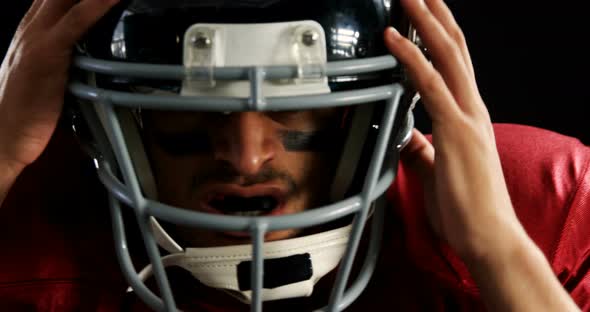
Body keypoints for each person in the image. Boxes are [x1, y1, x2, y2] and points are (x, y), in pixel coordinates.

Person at [0, 0, 588, 311]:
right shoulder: (31, 218)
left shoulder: (542, 206)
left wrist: (497, 252)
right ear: (111, 121)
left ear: (379, 109)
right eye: (187, 108)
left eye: (297, 104)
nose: (247, 156)